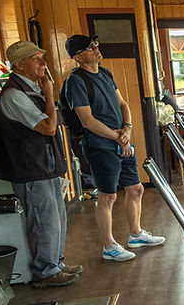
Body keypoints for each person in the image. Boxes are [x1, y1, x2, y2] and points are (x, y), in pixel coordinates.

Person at [63, 34, 165, 261]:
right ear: (78, 57)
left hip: (121, 141)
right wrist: (118, 137)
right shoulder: (76, 81)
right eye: (90, 47)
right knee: (108, 196)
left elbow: (123, 104)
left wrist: (127, 129)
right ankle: (109, 246)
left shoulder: (106, 73)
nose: (96, 49)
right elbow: (87, 120)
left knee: (136, 188)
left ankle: (136, 234)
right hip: (99, 145)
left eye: (95, 44)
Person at [0, 40, 81, 288]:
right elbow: (48, 127)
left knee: (57, 218)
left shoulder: (30, 89)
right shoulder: (14, 95)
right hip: (31, 169)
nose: (43, 63)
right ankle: (45, 271)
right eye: (36, 59)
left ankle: (55, 262)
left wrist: (46, 95)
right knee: (43, 221)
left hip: (45, 165)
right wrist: (49, 95)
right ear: (19, 65)